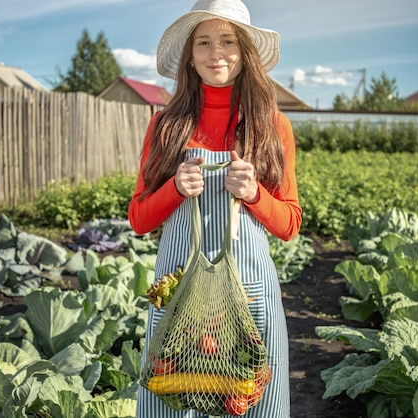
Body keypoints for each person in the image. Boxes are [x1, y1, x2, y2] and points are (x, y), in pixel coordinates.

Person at [128, 0, 302, 416]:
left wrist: (255, 194)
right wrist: (174, 188)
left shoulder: (272, 125)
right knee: (169, 398)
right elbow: (139, 218)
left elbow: (290, 224)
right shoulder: (165, 124)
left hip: (249, 288)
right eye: (203, 42)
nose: (215, 53)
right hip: (179, 286)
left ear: (245, 51)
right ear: (189, 54)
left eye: (227, 41)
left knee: (249, 400)